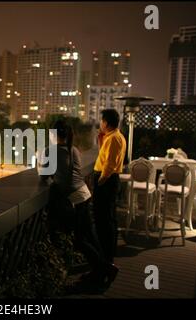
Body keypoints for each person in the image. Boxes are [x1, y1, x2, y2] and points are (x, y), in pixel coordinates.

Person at [41, 119, 116, 293]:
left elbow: (44, 176)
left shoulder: (50, 151)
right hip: (84, 194)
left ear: (54, 135)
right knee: (90, 236)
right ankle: (102, 270)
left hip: (74, 200)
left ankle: (104, 269)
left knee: (80, 240)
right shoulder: (73, 149)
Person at [93, 109, 126, 280]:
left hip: (106, 181)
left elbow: (110, 164)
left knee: (104, 220)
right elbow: (104, 156)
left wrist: (100, 181)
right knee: (107, 218)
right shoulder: (113, 137)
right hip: (108, 181)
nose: (100, 124)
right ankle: (107, 257)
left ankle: (107, 260)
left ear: (106, 122)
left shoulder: (114, 139)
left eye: (101, 121)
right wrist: (100, 140)